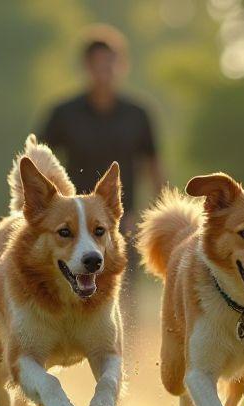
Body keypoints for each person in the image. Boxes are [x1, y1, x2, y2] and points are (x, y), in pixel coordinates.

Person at [40, 24, 164, 251]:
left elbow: (153, 167)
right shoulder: (63, 113)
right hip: (71, 223)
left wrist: (157, 217)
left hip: (122, 221)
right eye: (97, 64)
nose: (104, 70)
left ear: (122, 65)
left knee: (122, 284)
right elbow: (39, 161)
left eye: (110, 63)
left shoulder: (138, 114)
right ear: (86, 66)